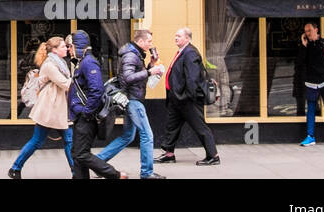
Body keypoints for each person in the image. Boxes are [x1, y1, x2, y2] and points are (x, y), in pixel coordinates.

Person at [97, 27, 166, 179]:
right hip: (133, 100)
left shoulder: (136, 54)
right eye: (148, 41)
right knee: (147, 135)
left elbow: (135, 76)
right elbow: (128, 78)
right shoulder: (131, 55)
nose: (150, 44)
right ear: (140, 41)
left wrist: (150, 65)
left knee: (128, 136)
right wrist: (149, 72)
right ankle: (147, 173)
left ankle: (98, 162)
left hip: (131, 98)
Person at [7, 37, 75, 179]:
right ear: (54, 50)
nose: (67, 49)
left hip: (59, 109)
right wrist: (81, 81)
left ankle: (76, 173)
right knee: (37, 140)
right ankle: (15, 168)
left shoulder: (60, 62)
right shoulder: (50, 64)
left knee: (69, 140)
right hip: (49, 109)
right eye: (63, 46)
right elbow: (65, 84)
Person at [67, 29, 127, 179]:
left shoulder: (89, 62)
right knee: (77, 154)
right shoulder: (82, 62)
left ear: (77, 46)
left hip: (86, 117)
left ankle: (115, 175)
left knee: (81, 154)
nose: (68, 50)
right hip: (81, 116)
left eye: (70, 46)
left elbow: (97, 89)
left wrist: (87, 112)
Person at [155, 27, 220, 166]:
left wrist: (187, 97)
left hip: (187, 100)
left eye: (178, 36)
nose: (175, 38)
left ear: (187, 38)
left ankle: (213, 156)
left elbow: (192, 78)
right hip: (177, 99)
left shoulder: (190, 53)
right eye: (175, 35)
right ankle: (169, 154)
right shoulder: (183, 52)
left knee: (200, 127)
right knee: (171, 126)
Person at [295, 21, 324, 146]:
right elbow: (299, 63)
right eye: (306, 31)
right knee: (310, 110)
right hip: (311, 83)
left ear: (316, 30)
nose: (308, 33)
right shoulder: (306, 46)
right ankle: (310, 137)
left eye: (309, 30)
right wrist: (304, 46)